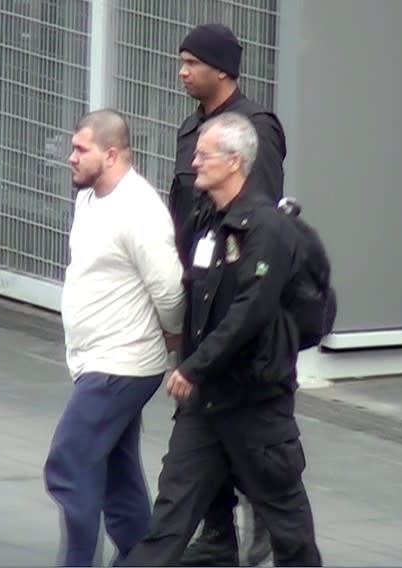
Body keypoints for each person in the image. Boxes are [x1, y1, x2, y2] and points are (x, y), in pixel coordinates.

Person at [120, 112, 322, 567]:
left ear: (234, 162)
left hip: (256, 407)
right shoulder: (209, 220)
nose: (194, 162)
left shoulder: (268, 230)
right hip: (205, 407)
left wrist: (193, 366)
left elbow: (250, 311)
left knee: (290, 533)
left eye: (204, 155)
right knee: (168, 521)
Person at [43, 109, 185, 567]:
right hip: (96, 359)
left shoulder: (139, 210)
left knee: (69, 463)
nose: (71, 157)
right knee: (115, 469)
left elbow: (168, 288)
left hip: (121, 366)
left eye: (81, 149)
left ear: (111, 154)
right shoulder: (90, 198)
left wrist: (171, 334)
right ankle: (141, 557)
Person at [171, 23, 288, 566]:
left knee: (242, 416)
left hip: (235, 292)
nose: (182, 71)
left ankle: (267, 517)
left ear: (222, 69)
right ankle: (216, 529)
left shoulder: (253, 130)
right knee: (198, 415)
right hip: (197, 290)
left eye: (192, 62)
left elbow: (256, 218)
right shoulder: (191, 129)